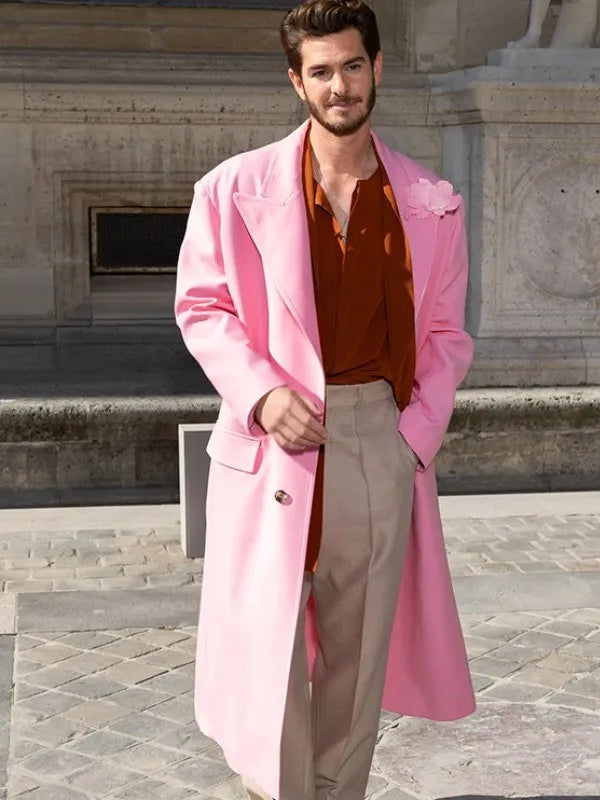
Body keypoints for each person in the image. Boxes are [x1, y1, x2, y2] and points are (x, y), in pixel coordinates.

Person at [174, 2, 476, 799]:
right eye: (320, 71)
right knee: (266, 656)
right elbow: (203, 306)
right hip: (276, 440)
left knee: (356, 656)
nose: (339, 86)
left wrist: (414, 436)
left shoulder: (431, 199)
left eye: (351, 66)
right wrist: (260, 392)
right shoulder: (232, 188)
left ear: (377, 68)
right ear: (295, 81)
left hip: (379, 440)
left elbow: (447, 333)